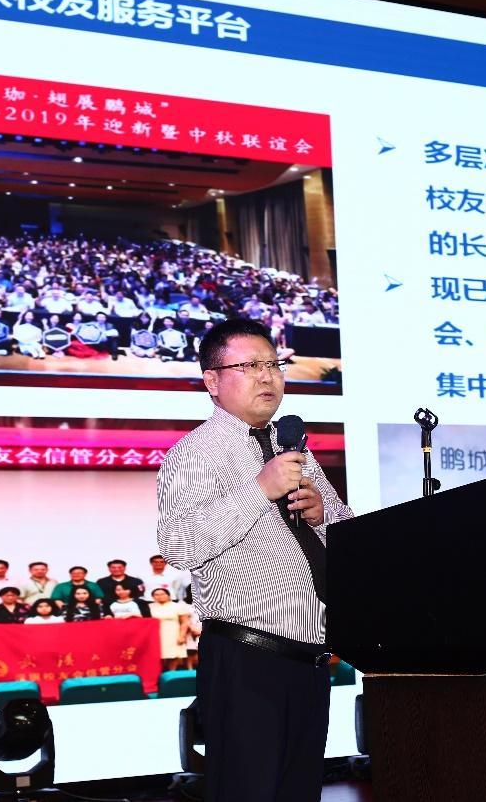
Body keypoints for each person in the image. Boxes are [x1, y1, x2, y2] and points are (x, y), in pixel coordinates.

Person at [157, 318, 353, 802]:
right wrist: (259, 490)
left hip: (310, 661)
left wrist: (324, 514)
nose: (267, 376)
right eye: (249, 366)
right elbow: (178, 545)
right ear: (212, 381)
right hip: (248, 661)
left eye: (273, 364)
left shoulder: (293, 449)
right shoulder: (196, 453)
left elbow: (349, 533)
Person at [149, 587, 191, 672]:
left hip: (173, 632)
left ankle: (172, 672)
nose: (159, 596)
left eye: (162, 594)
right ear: (153, 597)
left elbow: (184, 622)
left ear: (168, 595)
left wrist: (182, 635)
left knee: (173, 654)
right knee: (157, 654)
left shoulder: (177, 606)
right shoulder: (149, 607)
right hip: (155, 633)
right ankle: (158, 673)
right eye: (156, 595)